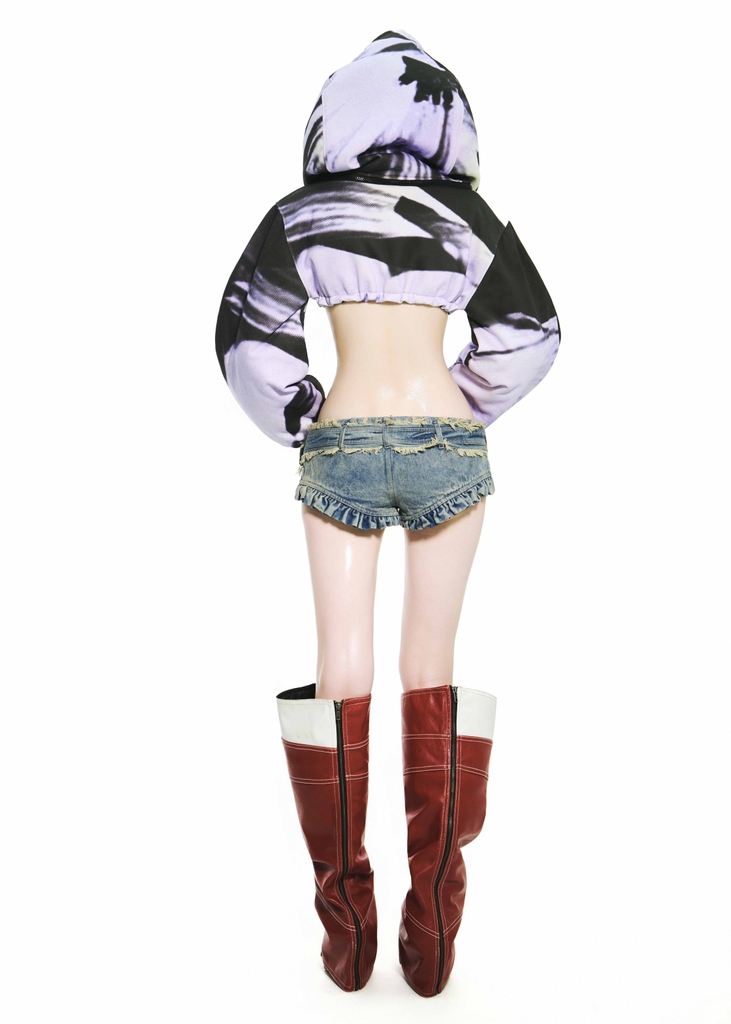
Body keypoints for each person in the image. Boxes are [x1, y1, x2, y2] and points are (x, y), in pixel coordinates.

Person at [214, 29, 561, 996]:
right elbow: (533, 335)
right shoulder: (469, 220)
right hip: (445, 440)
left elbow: (244, 330)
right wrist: (461, 404)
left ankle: (346, 929)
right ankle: (434, 927)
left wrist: (302, 414)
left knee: (341, 667)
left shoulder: (300, 217)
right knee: (429, 669)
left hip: (342, 437)